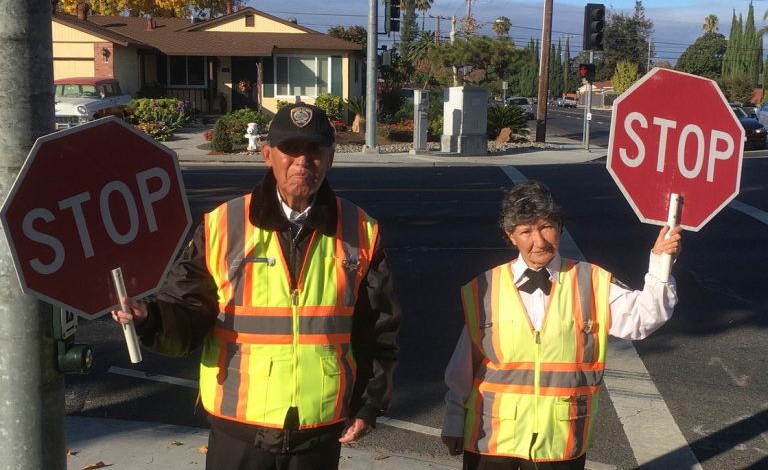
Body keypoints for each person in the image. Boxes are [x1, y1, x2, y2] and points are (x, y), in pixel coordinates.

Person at [113, 101, 400, 470]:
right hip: (239, 429)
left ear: (330, 158)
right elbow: (186, 312)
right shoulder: (223, 225)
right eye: (290, 149)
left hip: (320, 429)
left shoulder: (361, 230)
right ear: (267, 154)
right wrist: (149, 318)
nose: (303, 161)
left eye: (314, 150)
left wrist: (369, 404)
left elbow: (378, 329)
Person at [441, 180, 682, 470]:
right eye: (526, 231)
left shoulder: (592, 281)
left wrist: (660, 263)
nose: (539, 241)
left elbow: (644, 319)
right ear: (510, 236)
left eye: (546, 227)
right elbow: (463, 365)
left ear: (560, 226)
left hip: (559, 441)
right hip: (491, 437)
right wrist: (453, 420)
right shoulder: (485, 286)